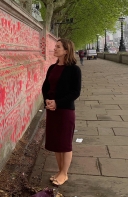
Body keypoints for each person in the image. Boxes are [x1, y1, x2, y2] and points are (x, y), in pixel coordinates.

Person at [41, 39, 82, 186]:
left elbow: (75, 92)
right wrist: (47, 101)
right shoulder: (52, 68)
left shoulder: (74, 70)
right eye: (55, 46)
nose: (55, 48)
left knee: (64, 144)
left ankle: (64, 174)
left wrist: (57, 102)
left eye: (58, 47)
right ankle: (60, 172)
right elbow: (45, 87)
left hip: (65, 110)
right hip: (52, 109)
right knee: (56, 143)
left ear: (66, 50)